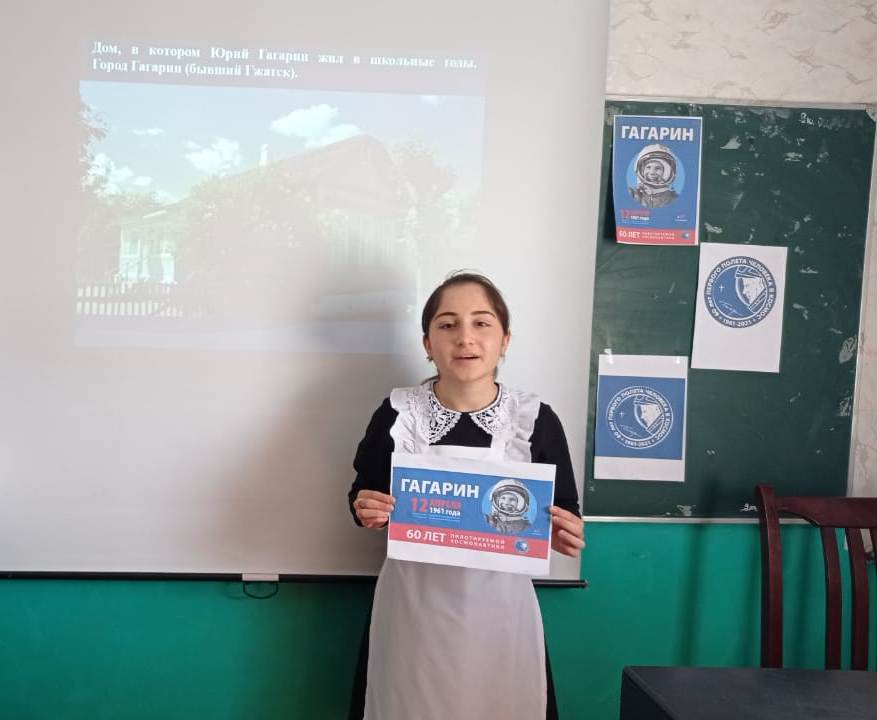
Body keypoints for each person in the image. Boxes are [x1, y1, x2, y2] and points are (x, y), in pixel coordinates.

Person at [347, 271, 585, 720]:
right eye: (447, 324)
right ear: (427, 342)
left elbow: (565, 511)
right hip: (413, 610)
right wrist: (366, 509)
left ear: (505, 339)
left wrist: (563, 531)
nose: (465, 338)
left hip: (501, 611)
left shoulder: (535, 419)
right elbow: (363, 495)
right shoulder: (398, 413)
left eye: (481, 322)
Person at [628, 143, 680, 209]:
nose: (652, 172)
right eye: (648, 167)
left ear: (666, 172)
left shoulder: (673, 198)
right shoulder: (633, 194)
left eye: (657, 168)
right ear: (641, 169)